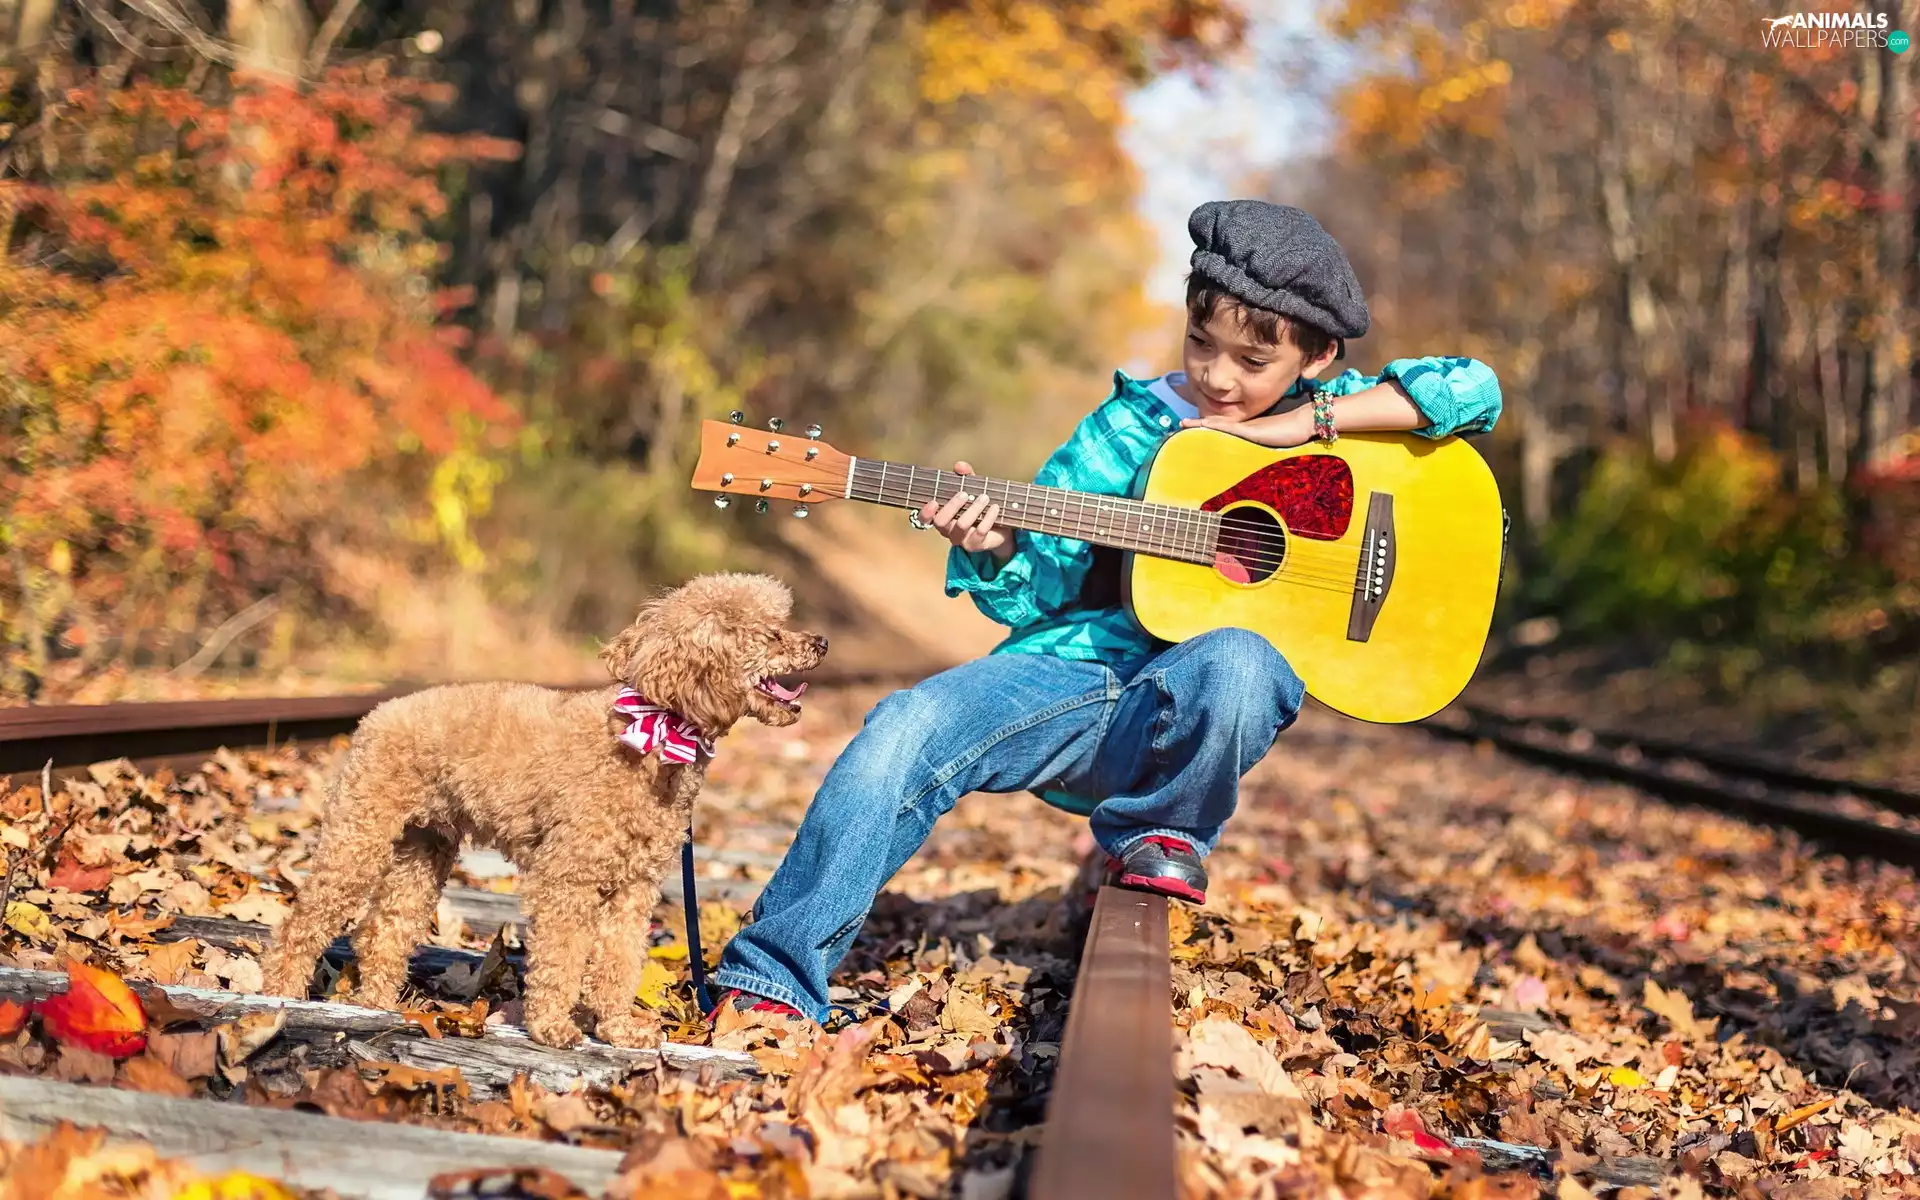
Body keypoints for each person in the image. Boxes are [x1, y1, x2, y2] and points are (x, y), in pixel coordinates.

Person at [707, 199, 1503, 1023]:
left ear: (1316, 355)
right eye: (1201, 344)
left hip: (1194, 699)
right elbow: (1036, 588)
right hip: (1073, 680)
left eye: (1252, 359)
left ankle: (1168, 832)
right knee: (902, 726)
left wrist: (1300, 427)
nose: (1219, 378)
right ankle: (771, 978)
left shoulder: (1338, 428)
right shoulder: (1128, 428)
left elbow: (1473, 390)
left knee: (1239, 658)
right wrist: (993, 547)